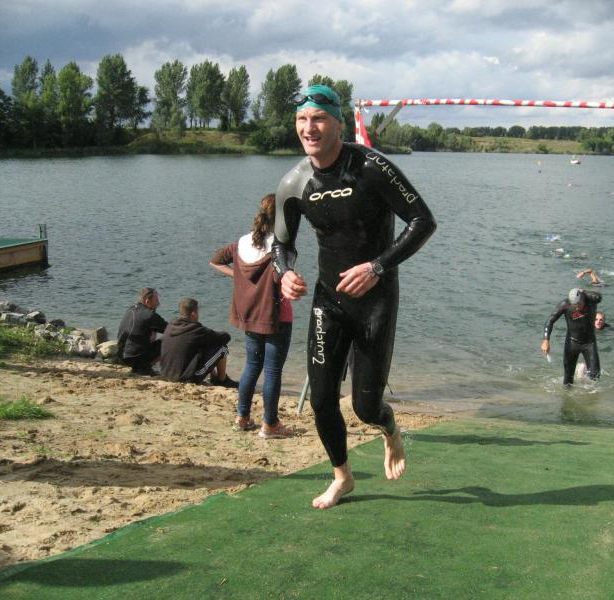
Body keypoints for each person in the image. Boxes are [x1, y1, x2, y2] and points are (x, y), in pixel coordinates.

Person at [273, 84, 436, 509]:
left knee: (365, 407)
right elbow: (281, 245)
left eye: (318, 118)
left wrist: (376, 267)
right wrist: (285, 274)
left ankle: (389, 428)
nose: (309, 128)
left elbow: (422, 221)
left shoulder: (371, 167)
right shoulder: (294, 183)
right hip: (329, 302)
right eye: (302, 120)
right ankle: (342, 476)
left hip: (375, 300)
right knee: (322, 399)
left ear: (338, 124)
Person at [210, 193, 294, 438]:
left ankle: (242, 417)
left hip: (249, 314)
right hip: (276, 316)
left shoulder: (243, 242)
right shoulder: (280, 245)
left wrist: (237, 275)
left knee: (252, 366)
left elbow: (215, 260)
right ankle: (270, 424)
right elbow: (283, 276)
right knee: (272, 371)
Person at [160, 298, 237, 387]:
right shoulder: (196, 329)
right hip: (186, 378)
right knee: (222, 349)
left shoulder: (171, 325)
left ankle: (214, 377)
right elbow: (226, 337)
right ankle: (222, 380)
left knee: (202, 345)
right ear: (193, 314)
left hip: (166, 373)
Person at [541, 287, 602, 385]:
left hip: (589, 343)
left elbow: (599, 297)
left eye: (579, 304)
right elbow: (550, 320)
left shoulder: (590, 299)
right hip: (572, 343)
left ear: (583, 299)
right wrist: (546, 340)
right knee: (568, 379)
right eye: (574, 305)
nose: (577, 308)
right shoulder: (565, 304)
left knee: (595, 376)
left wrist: (584, 291)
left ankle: (588, 392)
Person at [116, 287, 167, 375]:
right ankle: (145, 367)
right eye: (156, 300)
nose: (158, 303)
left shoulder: (131, 309)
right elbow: (171, 330)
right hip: (135, 359)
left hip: (122, 356)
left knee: (149, 329)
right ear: (147, 301)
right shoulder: (149, 315)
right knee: (169, 339)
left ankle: (144, 365)